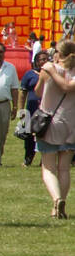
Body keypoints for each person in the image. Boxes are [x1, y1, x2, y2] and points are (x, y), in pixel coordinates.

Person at [35, 40, 75, 218]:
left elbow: (38, 91)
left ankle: (57, 199)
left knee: (48, 167)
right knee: (64, 169)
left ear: (59, 53)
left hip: (50, 124)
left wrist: (50, 71)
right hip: (71, 125)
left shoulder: (49, 68)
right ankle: (58, 206)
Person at [20, 50, 47, 166]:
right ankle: (28, 158)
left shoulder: (51, 74)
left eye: (47, 59)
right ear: (37, 61)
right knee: (29, 136)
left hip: (46, 109)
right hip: (31, 109)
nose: (45, 61)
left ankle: (44, 160)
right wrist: (21, 110)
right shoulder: (29, 74)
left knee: (45, 134)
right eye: (42, 59)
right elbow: (23, 93)